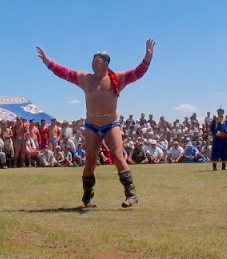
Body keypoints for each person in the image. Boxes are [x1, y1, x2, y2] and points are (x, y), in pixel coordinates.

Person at [36, 39, 154, 208]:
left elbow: (137, 72)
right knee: (90, 160)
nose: (94, 61)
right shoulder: (85, 78)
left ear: (106, 62)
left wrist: (147, 58)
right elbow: (64, 73)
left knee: (118, 156)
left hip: (111, 123)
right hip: (92, 124)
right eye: (93, 58)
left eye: (98, 58)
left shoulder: (117, 79)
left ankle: (132, 194)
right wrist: (48, 62)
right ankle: (88, 197)